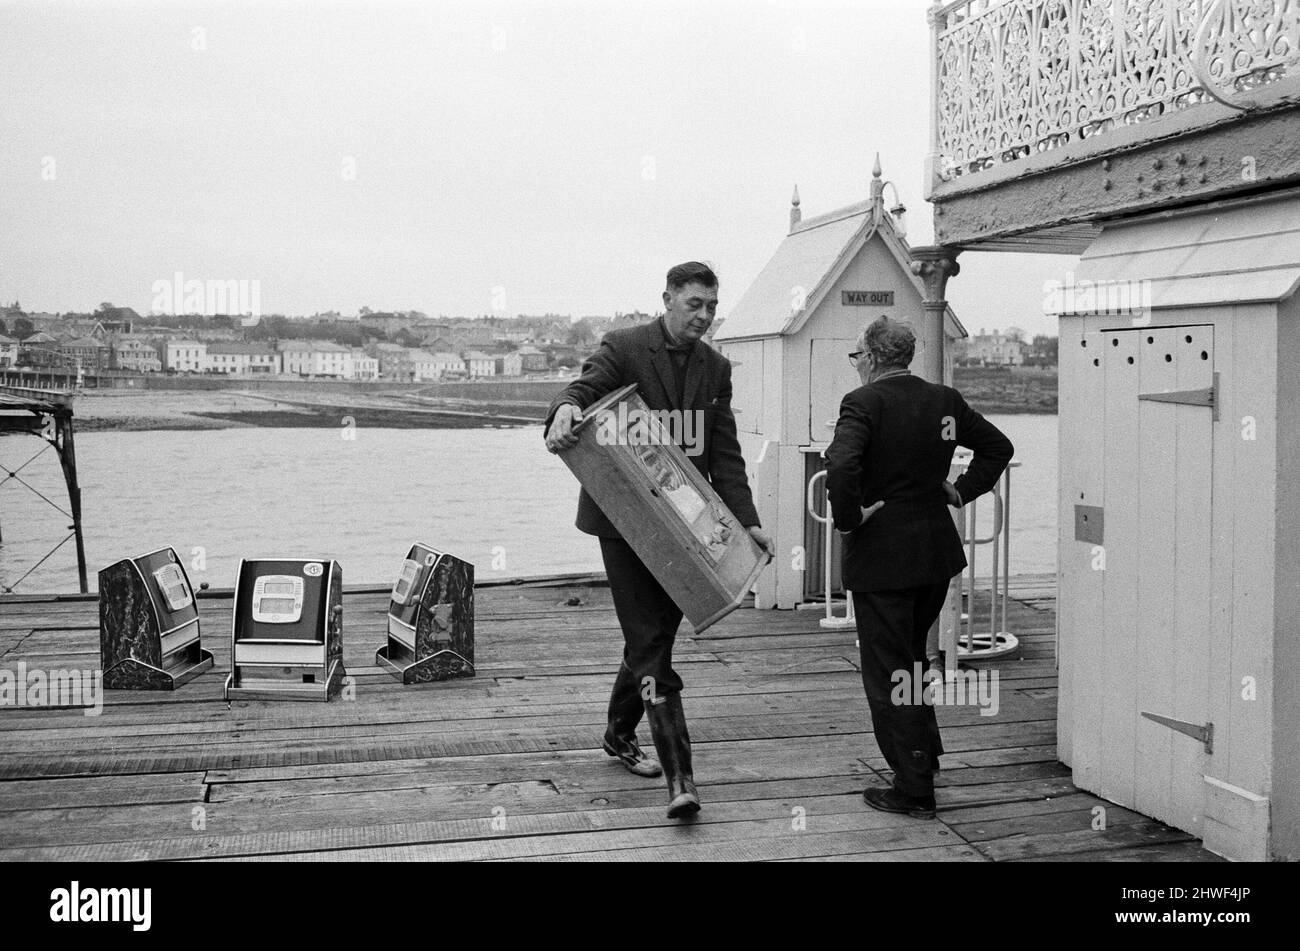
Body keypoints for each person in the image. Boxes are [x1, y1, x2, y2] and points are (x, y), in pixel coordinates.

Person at [545, 261, 775, 819]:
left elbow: (724, 453)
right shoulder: (624, 346)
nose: (703, 316)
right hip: (623, 522)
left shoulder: (716, 367)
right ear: (668, 298)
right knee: (651, 649)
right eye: (694, 304)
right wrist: (565, 410)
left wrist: (745, 521)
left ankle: (617, 734)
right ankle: (681, 781)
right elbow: (584, 386)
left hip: (688, 528)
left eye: (712, 307)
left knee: (650, 641)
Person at [825, 316, 1013, 819]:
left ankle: (913, 789)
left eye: (856, 356)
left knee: (889, 674)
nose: (856, 365)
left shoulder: (862, 403)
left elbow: (842, 467)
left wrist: (849, 518)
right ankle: (924, 759)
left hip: (883, 561)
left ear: (870, 357)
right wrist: (961, 489)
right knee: (910, 662)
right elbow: (999, 447)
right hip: (934, 557)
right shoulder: (943, 402)